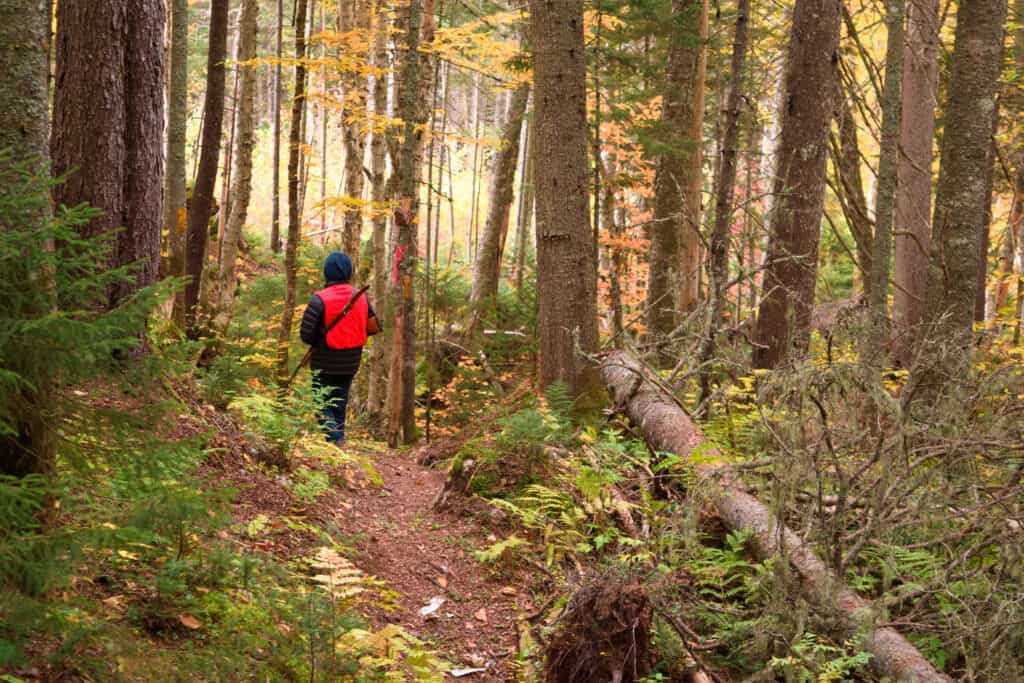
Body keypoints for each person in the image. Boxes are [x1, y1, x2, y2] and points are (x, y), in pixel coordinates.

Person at [299, 252, 380, 446]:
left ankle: (335, 441)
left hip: (324, 363)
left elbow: (306, 336)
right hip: (351, 361)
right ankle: (339, 441)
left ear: (327, 272)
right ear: (348, 272)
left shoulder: (319, 300)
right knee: (339, 402)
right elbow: (372, 328)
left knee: (321, 404)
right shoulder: (360, 297)